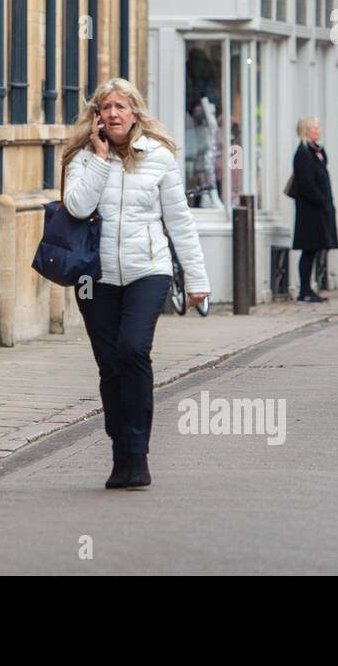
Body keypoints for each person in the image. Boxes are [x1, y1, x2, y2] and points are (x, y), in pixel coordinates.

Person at [63, 77, 209, 491]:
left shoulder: (159, 157)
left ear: (135, 112)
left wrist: (197, 278)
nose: (113, 114)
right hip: (96, 276)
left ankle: (137, 451)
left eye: (120, 107)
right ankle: (120, 454)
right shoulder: (82, 157)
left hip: (149, 269)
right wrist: (98, 158)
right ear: (96, 116)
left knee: (132, 350)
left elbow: (179, 221)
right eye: (105, 107)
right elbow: (77, 205)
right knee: (110, 366)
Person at [290, 117, 338, 303]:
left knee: (314, 249)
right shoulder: (303, 153)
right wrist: (320, 200)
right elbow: (307, 183)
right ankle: (305, 291)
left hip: (319, 209)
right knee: (309, 250)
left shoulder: (316, 151)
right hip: (310, 211)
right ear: (306, 131)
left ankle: (309, 288)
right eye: (315, 128)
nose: (319, 130)